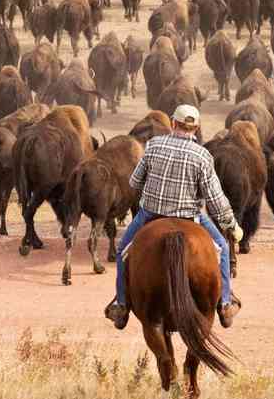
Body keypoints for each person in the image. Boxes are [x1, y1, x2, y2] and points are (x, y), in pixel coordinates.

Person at [103, 106, 241, 331]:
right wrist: (231, 225)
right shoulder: (202, 155)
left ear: (173, 124)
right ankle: (225, 303)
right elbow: (215, 199)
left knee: (121, 251)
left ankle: (121, 304)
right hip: (191, 217)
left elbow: (134, 182)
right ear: (195, 128)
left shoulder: (154, 146)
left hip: (150, 214)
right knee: (224, 249)